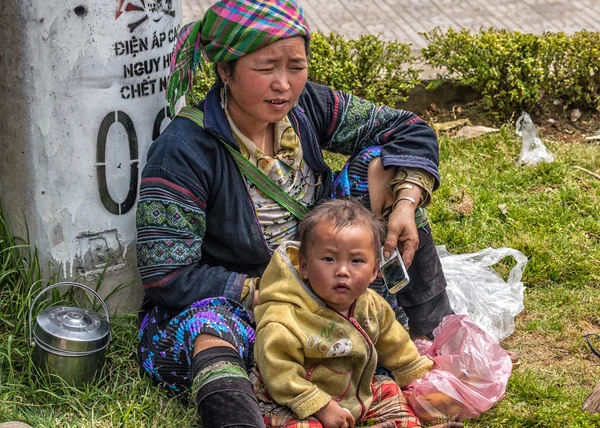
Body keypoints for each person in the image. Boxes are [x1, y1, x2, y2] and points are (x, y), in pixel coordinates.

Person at [135, 0, 452, 426]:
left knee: (389, 173)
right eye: (265, 68)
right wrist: (266, 292)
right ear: (225, 70)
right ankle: (237, 416)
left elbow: (407, 127)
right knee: (208, 333)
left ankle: (428, 338)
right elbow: (165, 274)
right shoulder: (183, 150)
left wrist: (409, 201)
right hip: (249, 296)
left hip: (321, 264)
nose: (283, 84)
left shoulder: (307, 108)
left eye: (295, 67)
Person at [252, 199, 462, 428]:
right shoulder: (285, 318)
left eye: (356, 261)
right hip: (292, 399)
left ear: (374, 271)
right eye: (329, 259)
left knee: (389, 391)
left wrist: (418, 376)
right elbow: (279, 373)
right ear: (304, 266)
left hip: (355, 392)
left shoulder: (371, 305)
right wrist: (320, 405)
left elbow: (395, 344)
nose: (342, 271)